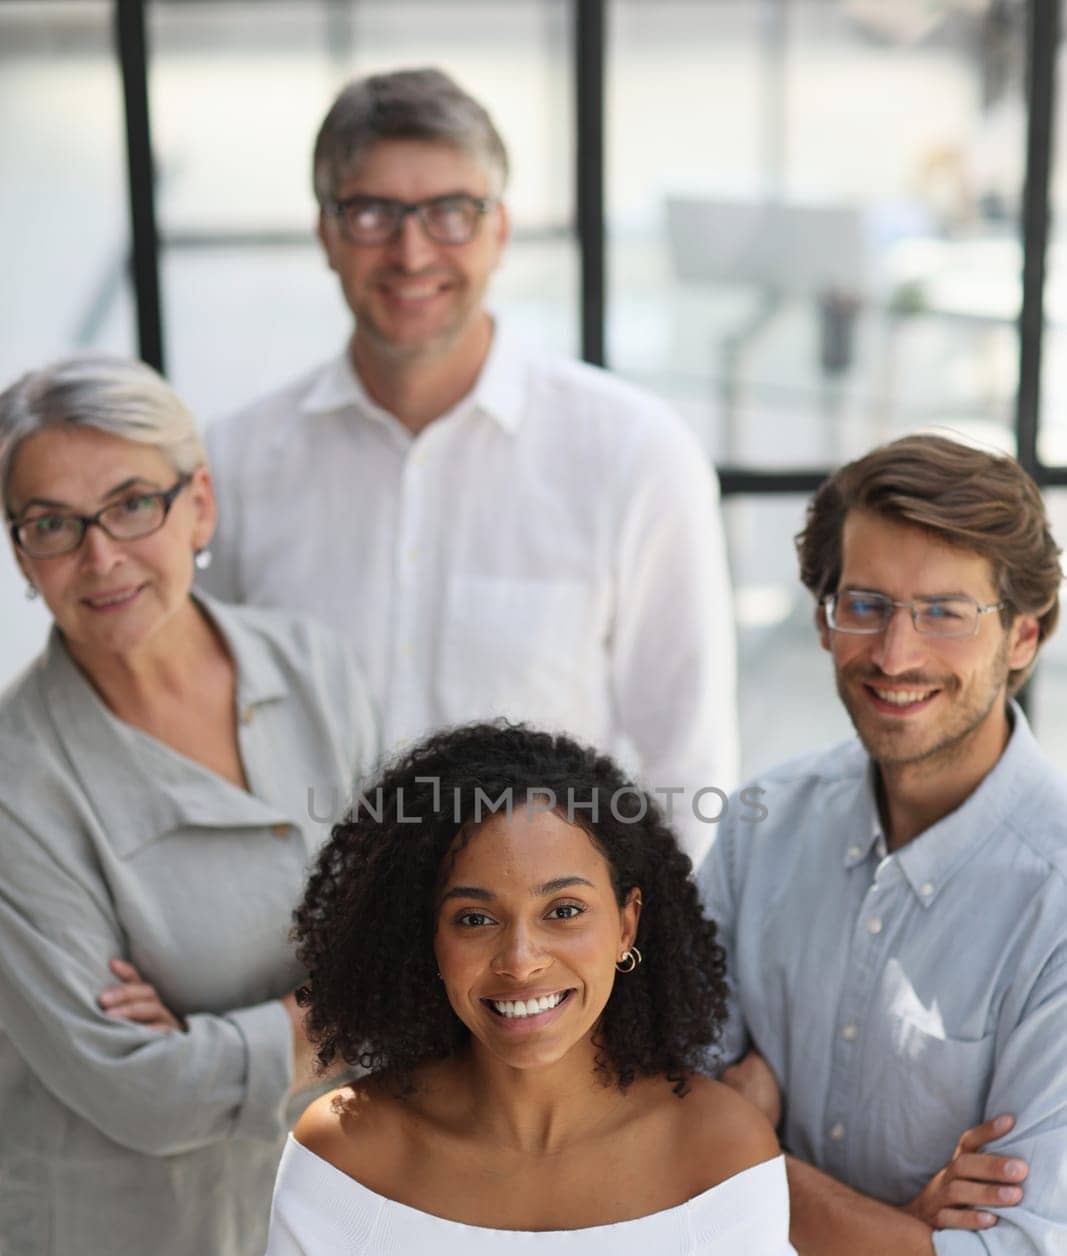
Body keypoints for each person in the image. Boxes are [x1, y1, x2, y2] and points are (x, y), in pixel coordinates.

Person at [223, 722, 804, 1256]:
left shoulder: (715, 1156)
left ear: (626, 922)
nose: (520, 957)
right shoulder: (346, 1155)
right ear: (426, 935)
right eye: (474, 918)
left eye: (563, 910)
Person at [0, 353, 378, 1256]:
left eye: (131, 505)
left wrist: (223, 1031)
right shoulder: (16, 778)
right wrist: (348, 1006)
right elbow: (139, 1090)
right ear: (19, 550)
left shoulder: (314, 669)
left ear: (198, 505)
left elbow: (429, 931)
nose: (99, 557)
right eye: (49, 525)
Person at [699, 433, 1067, 1256]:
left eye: (941, 613)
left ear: (1025, 633)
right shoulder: (759, 827)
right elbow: (647, 1139)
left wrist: (750, 1159)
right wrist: (888, 1224)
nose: (893, 653)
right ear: (820, 616)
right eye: (863, 604)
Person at [203, 66, 737, 865]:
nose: (411, 252)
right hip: (298, 969)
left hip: (553, 969)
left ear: (499, 230)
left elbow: (687, 767)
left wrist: (651, 976)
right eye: (373, 212)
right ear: (326, 233)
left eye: (451, 212)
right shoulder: (236, 463)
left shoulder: (634, 455)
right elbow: (195, 739)